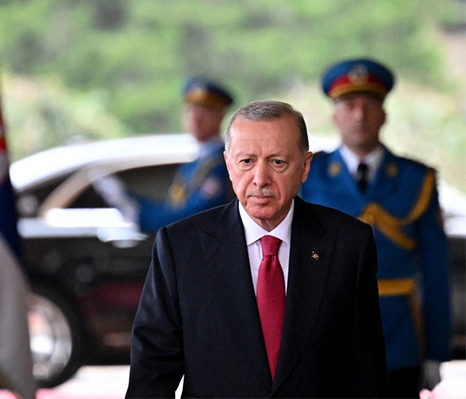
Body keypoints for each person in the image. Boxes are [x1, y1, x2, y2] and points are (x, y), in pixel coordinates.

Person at [126, 100, 389, 398]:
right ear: (228, 164)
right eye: (247, 161)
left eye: (277, 162)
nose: (260, 179)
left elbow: (367, 369)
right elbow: (151, 372)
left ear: (304, 167)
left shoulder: (348, 243)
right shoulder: (180, 247)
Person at [300, 58, 451, 398]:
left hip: (398, 337)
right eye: (349, 105)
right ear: (334, 115)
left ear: (384, 114)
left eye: (370, 105)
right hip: (325, 333)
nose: (359, 115)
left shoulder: (417, 179)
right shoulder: (309, 175)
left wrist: (435, 352)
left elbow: (435, 271)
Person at [93, 77, 234, 233]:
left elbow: (192, 217)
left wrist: (139, 212)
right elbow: (174, 208)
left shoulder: (220, 165)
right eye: (190, 110)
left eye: (205, 111)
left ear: (221, 115)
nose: (195, 118)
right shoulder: (196, 163)